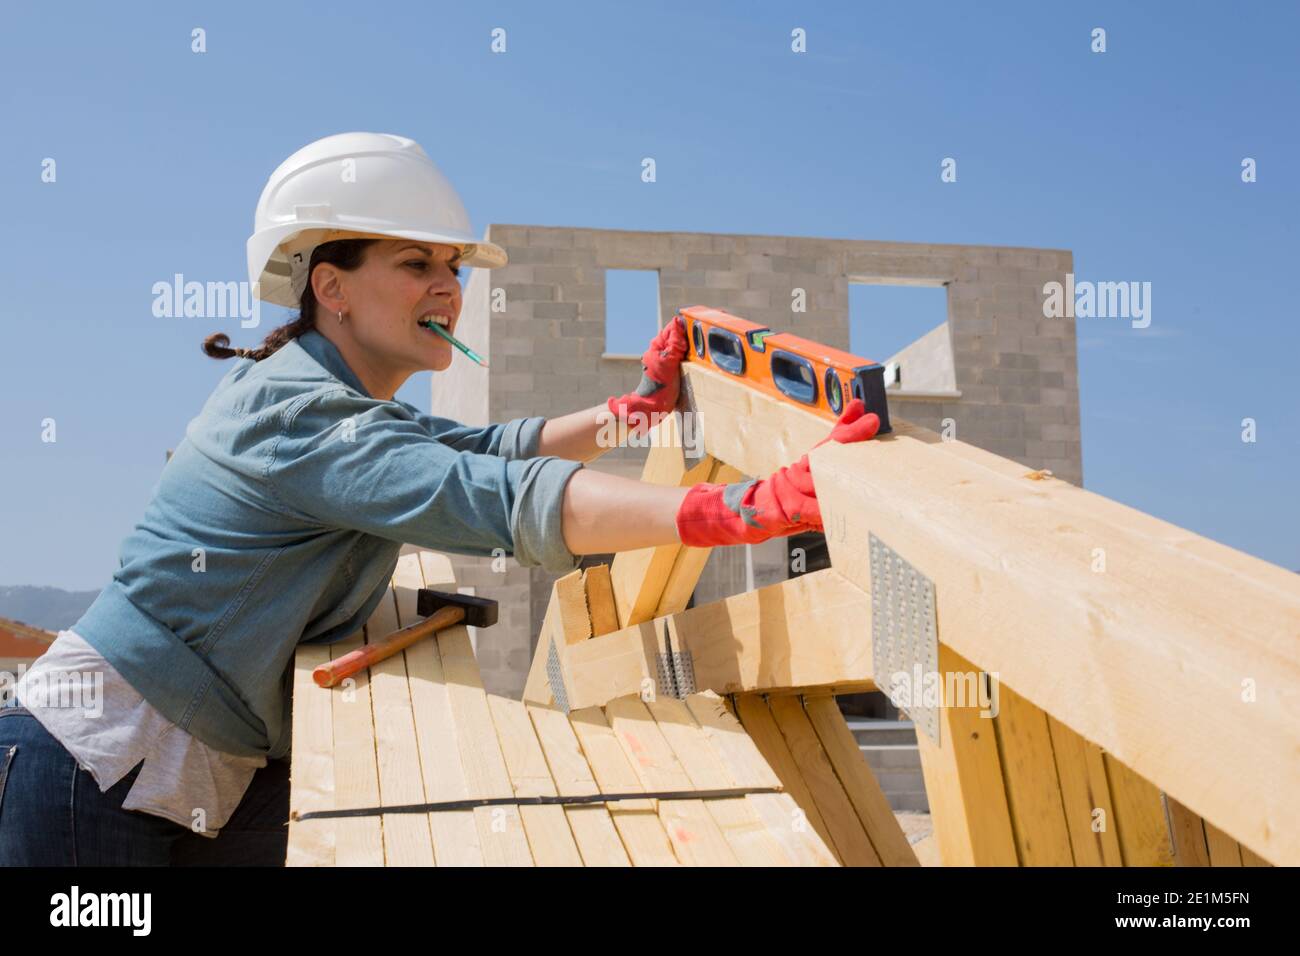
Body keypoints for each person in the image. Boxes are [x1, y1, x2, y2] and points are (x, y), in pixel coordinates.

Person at [0, 132, 880, 866]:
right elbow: (494, 495)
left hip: (206, 762)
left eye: (453, 269)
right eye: (416, 263)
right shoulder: (305, 415)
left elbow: (487, 449)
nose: (448, 290)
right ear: (330, 288)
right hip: (99, 759)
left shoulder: (342, 403)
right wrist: (735, 511)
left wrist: (631, 416)